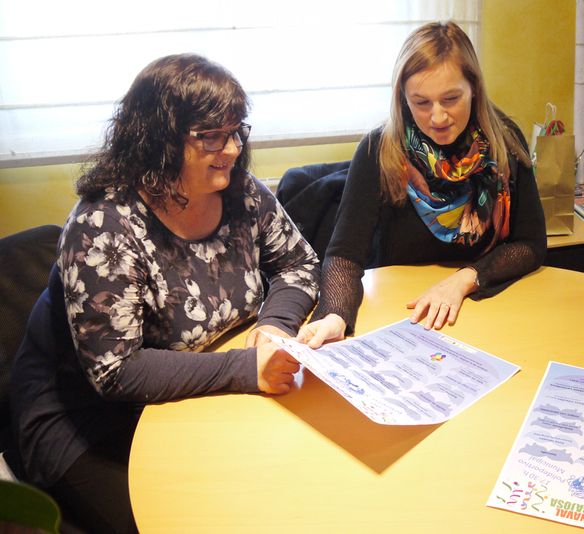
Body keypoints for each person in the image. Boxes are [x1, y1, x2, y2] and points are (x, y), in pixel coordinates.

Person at [7, 54, 330, 533]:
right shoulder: (102, 226)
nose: (232, 149)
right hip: (87, 420)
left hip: (195, 391)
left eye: (236, 131)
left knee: (283, 490)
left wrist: (274, 325)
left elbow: (297, 263)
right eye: (211, 136)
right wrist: (245, 368)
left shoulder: (241, 192)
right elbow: (116, 371)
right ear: (158, 138)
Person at [297, 21, 546, 347]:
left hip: (483, 310)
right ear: (403, 97)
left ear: (474, 88)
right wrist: (335, 315)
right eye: (421, 102)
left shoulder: (505, 142)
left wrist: (464, 280)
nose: (438, 117)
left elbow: (530, 245)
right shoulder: (379, 150)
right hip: (404, 315)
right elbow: (344, 256)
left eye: (451, 98)